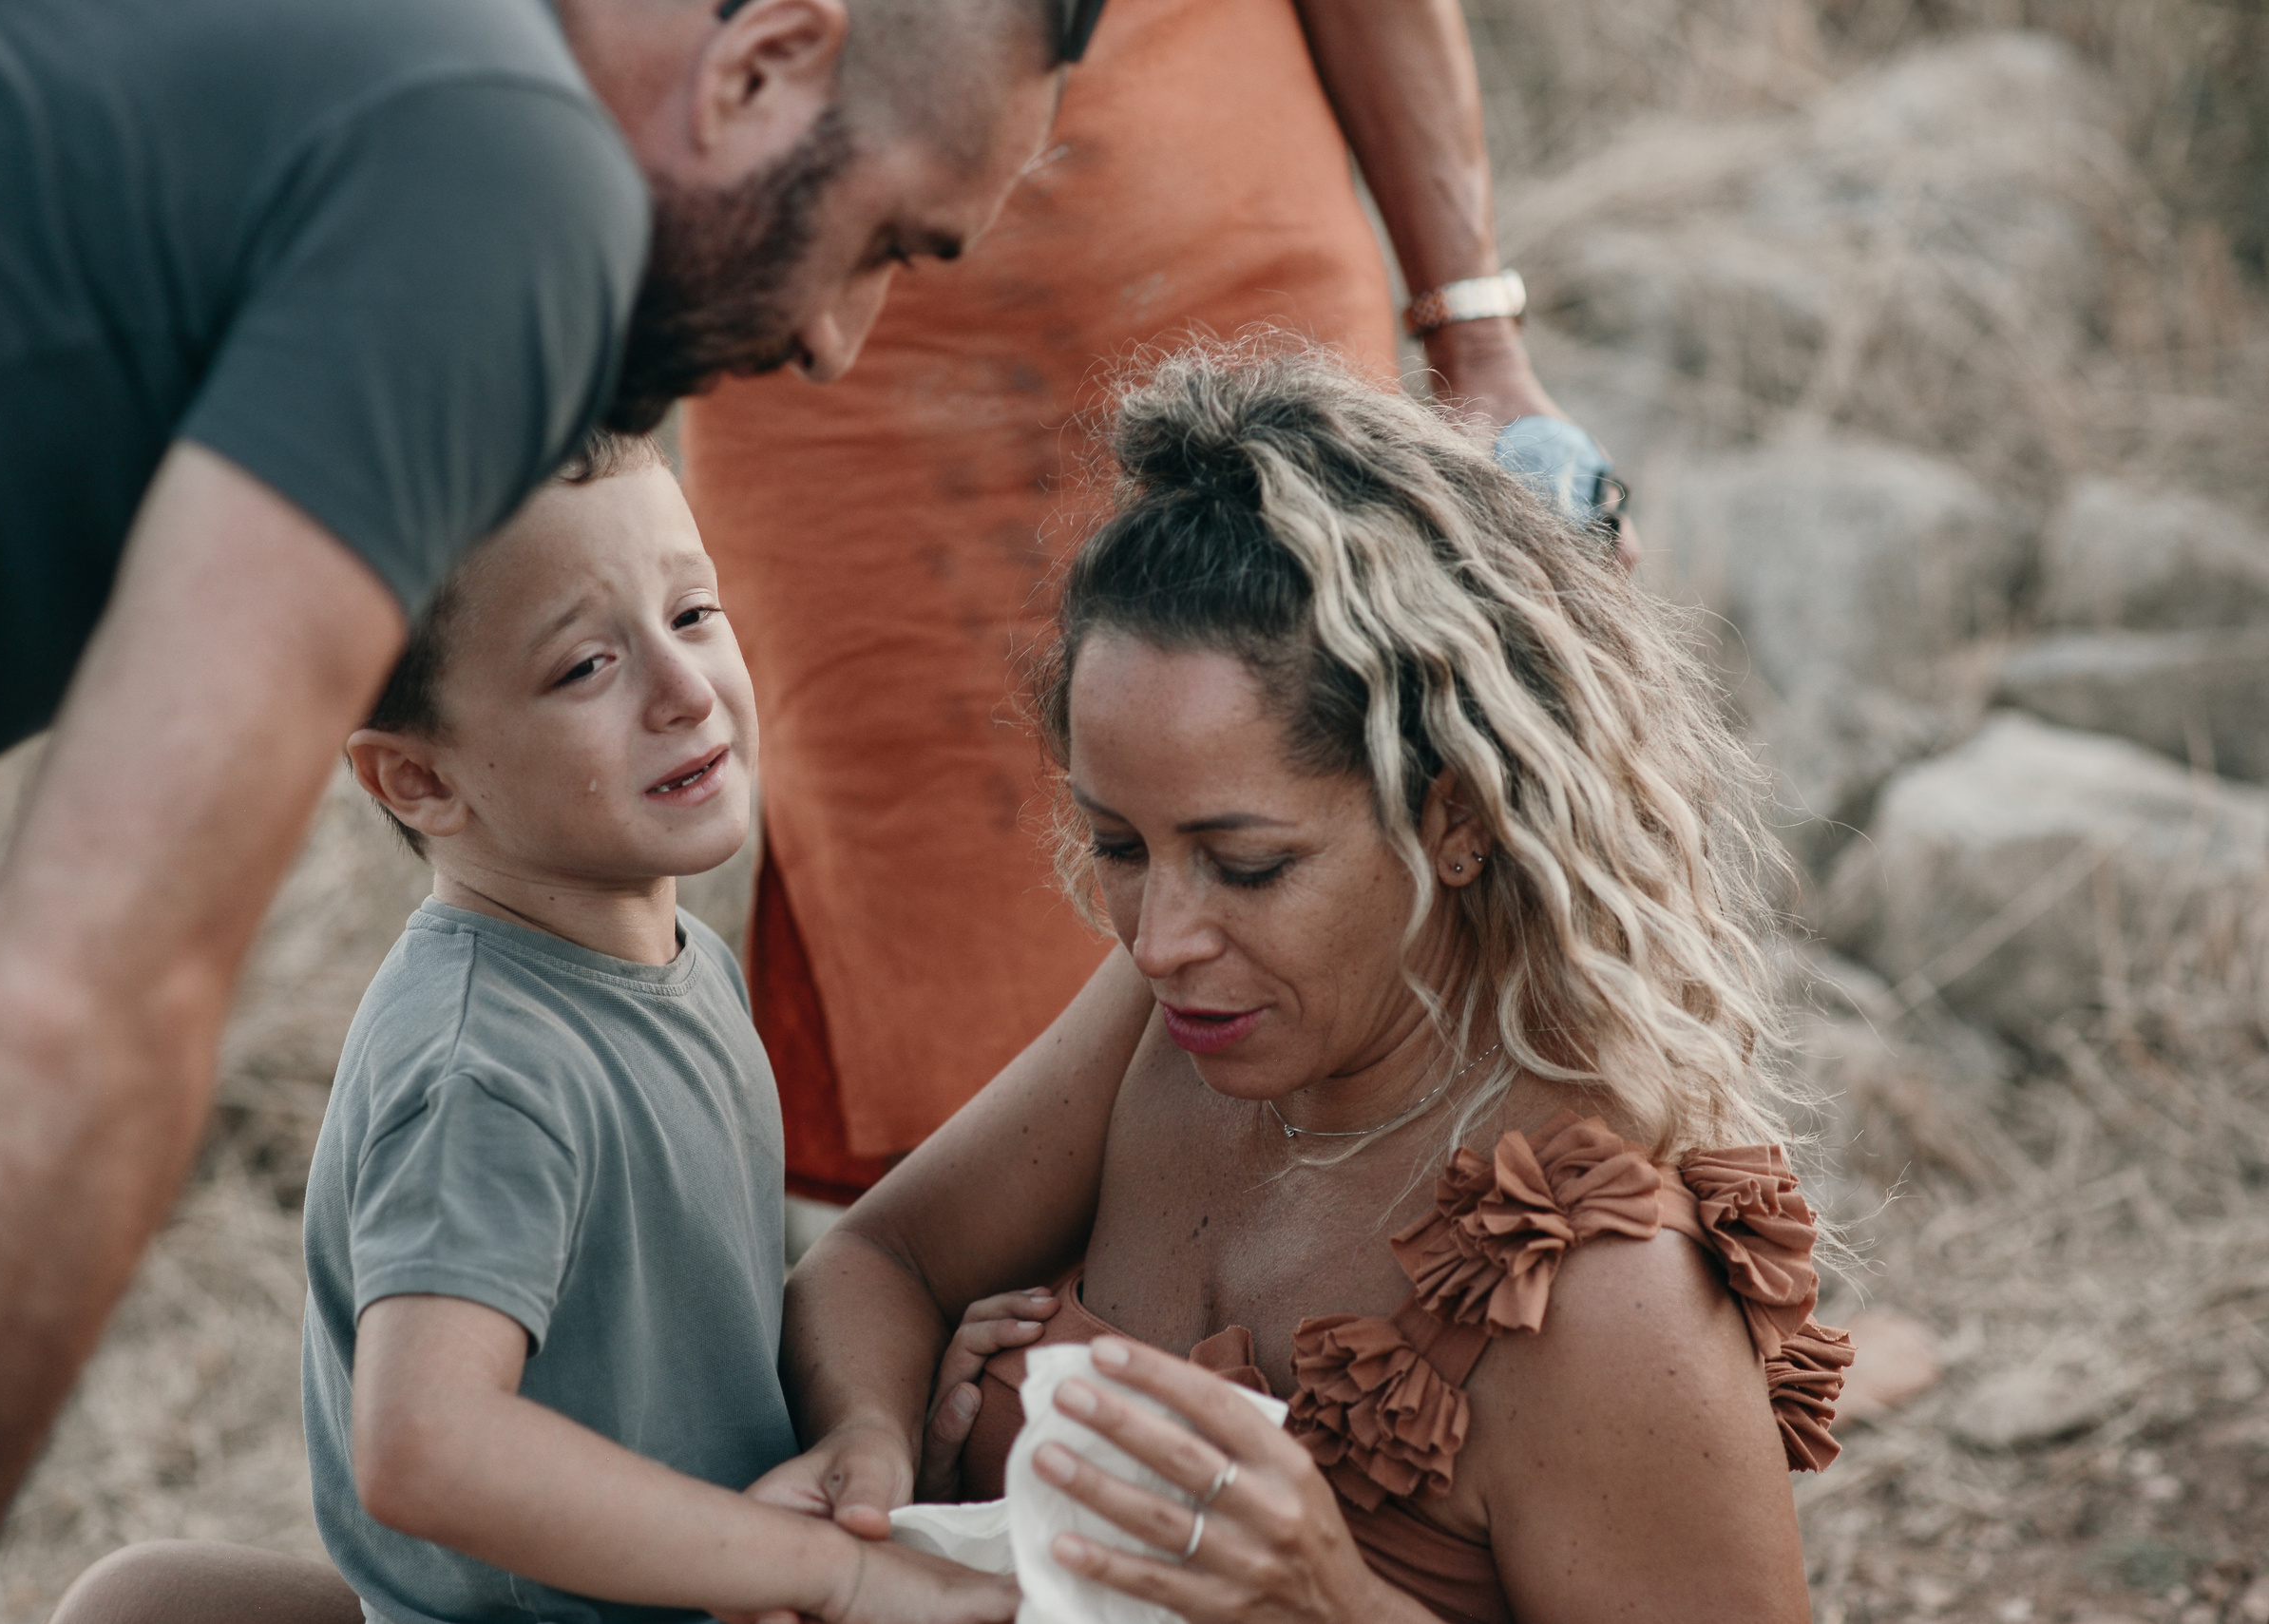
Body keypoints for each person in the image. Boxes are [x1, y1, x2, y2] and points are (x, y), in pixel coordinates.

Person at [0, 0, 1070, 1614]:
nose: (839, 339)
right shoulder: (507, 183)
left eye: (696, 618)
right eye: (878, 239)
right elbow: (79, 990)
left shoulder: (393, 94)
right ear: (762, 62)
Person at [767, 346, 1847, 1622]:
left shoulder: (1601, 1296)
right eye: (1119, 845)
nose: (1161, 936)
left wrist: (1337, 1603)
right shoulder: (1180, 1020)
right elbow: (874, 1261)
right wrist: (878, 1457)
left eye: (1246, 863)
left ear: (1455, 817)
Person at [681, 0, 1634, 1214]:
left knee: (1328, 814)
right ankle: (1019, 1353)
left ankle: (1395, 1331)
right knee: (941, 922)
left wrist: (1475, 334)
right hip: (836, 363)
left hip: (1223, 282)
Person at [56, 436, 1015, 1624]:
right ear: (417, 782)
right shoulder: (488, 1069)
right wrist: (835, 1570)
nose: (684, 687)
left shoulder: (679, 963)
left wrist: (877, 1429)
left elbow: (668, 1351)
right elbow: (423, 1443)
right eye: (585, 666)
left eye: (694, 610)